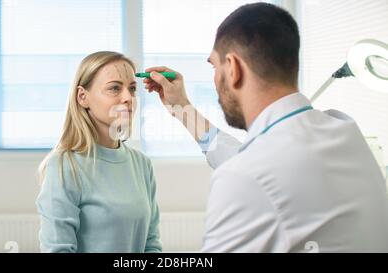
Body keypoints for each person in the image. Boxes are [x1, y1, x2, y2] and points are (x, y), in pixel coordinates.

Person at [142, 3, 388, 252]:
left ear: (234, 68)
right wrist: (183, 109)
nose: (214, 79)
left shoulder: (245, 176)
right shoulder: (344, 130)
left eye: (214, 67)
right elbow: (255, 164)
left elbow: (253, 173)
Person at [36, 51, 162, 253]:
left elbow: (152, 243)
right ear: (82, 97)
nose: (128, 98)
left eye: (132, 89)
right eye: (114, 88)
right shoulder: (64, 166)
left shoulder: (142, 164)